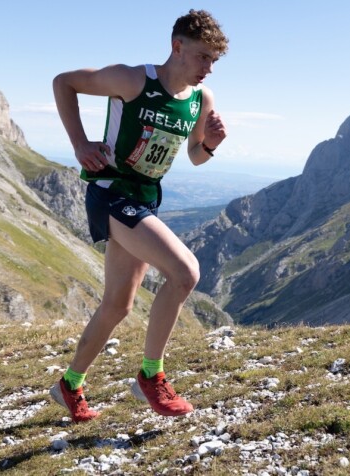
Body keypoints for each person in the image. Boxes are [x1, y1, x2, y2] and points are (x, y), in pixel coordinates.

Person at [49, 10, 229, 422]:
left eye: (214, 61)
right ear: (177, 47)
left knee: (118, 305)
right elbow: (64, 82)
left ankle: (69, 384)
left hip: (145, 199)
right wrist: (79, 144)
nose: (208, 68)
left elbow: (195, 156)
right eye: (203, 57)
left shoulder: (201, 99)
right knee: (185, 272)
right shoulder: (133, 80)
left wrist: (211, 144)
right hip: (111, 191)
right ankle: (151, 376)